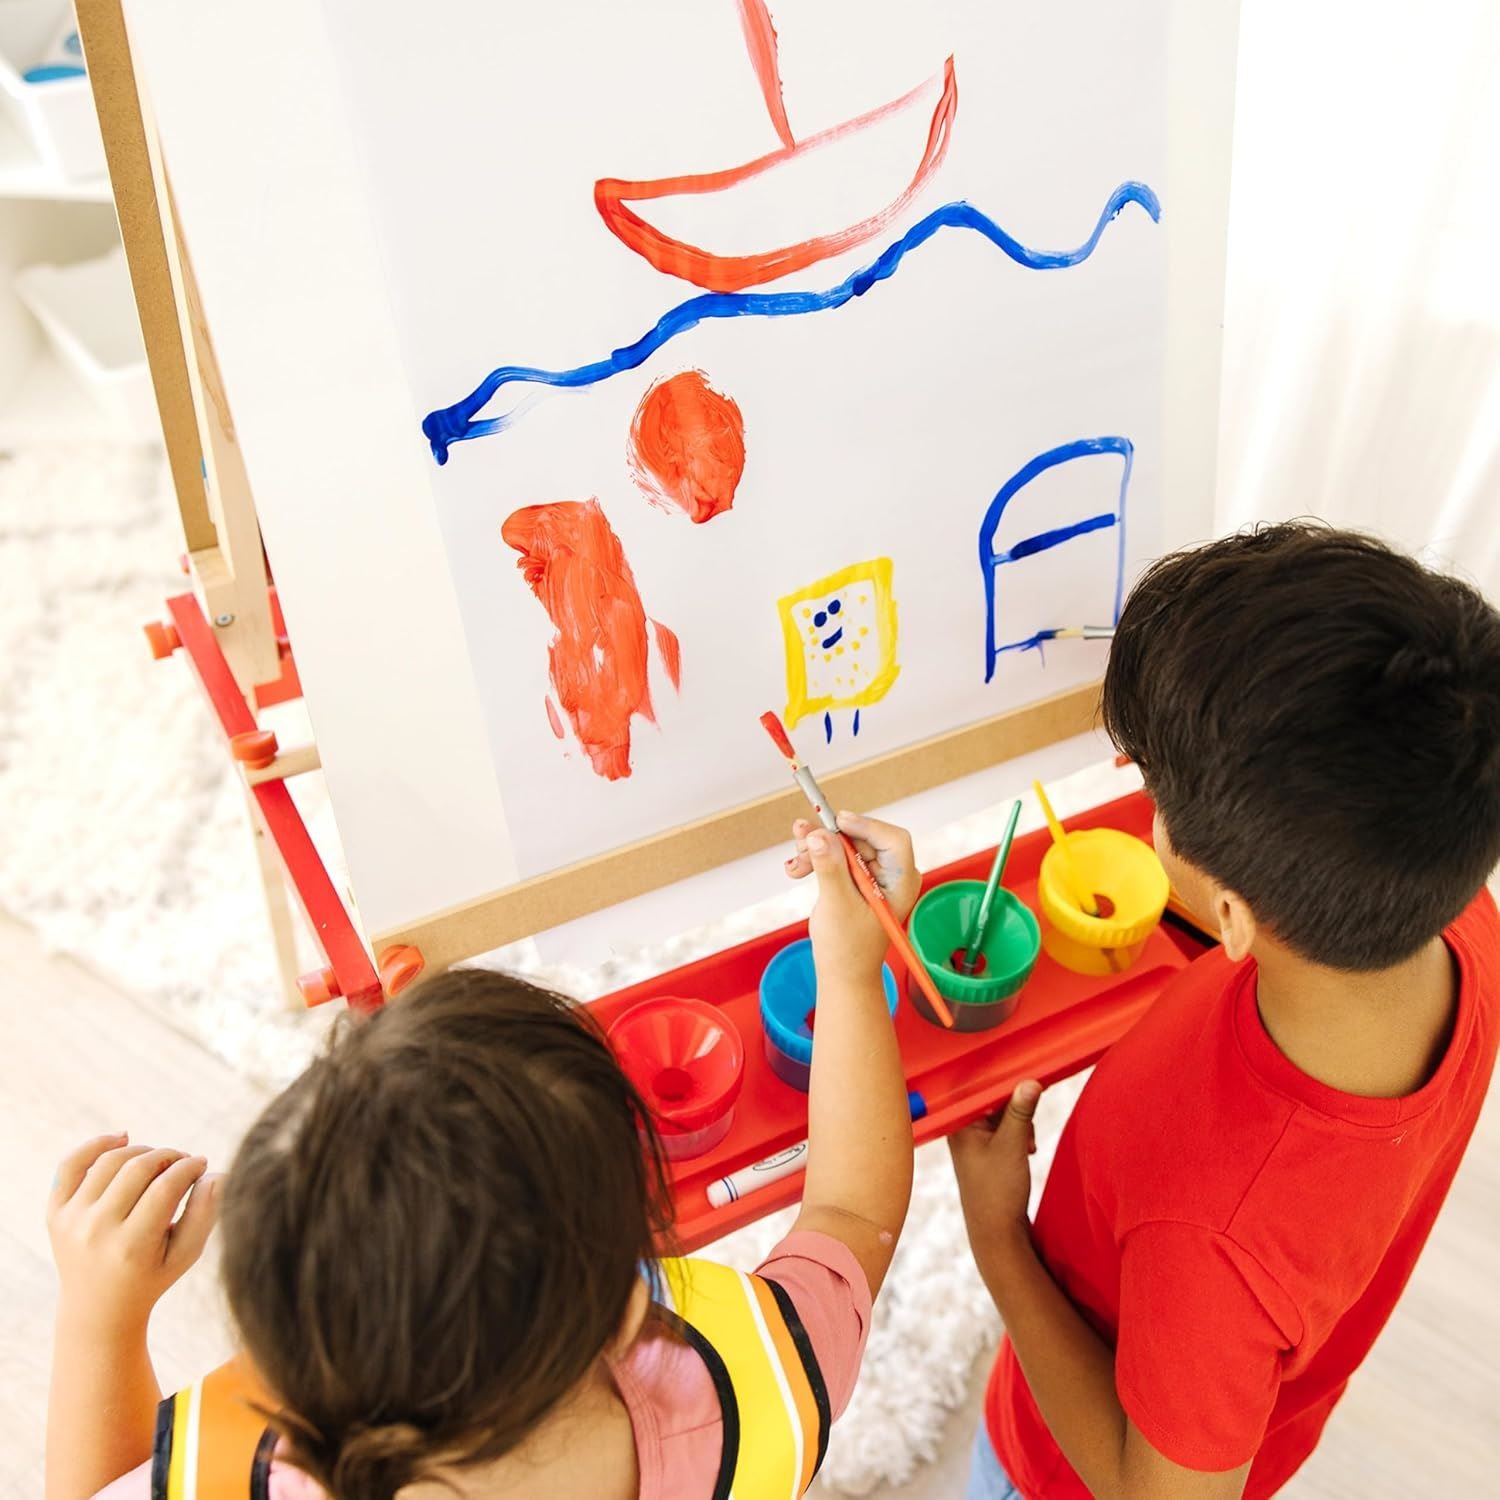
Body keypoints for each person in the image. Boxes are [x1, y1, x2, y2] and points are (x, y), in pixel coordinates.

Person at [45, 813, 921, 1500]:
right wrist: (849, 971)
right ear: (630, 1305)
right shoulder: (759, 1386)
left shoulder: (243, 1472)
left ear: (289, 1377)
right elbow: (853, 1214)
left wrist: (101, 1320)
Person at [952, 523, 1500, 1499]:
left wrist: (1000, 1242)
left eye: (1152, 795)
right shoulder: (1455, 913)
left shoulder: (1216, 1236)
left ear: (1237, 918)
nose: (1146, 805)